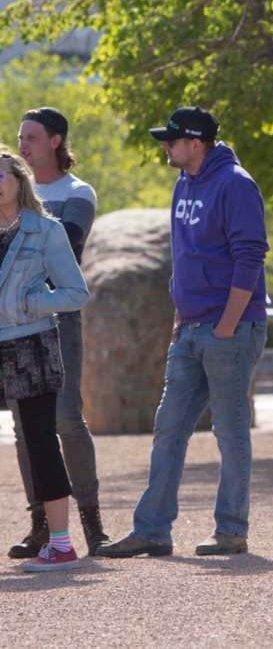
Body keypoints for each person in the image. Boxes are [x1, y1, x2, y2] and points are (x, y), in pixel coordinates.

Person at [97, 107, 268, 559]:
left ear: (196, 143)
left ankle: (231, 530)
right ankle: (152, 530)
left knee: (230, 433)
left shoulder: (236, 184)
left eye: (171, 141)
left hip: (230, 328)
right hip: (190, 329)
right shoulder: (184, 184)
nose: (165, 147)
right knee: (169, 428)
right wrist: (179, 317)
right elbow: (184, 256)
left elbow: (250, 257)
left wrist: (228, 324)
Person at [7, 108, 109, 559]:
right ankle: (41, 527)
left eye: (32, 137)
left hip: (54, 321)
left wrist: (24, 298)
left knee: (65, 419)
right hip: (10, 326)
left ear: (55, 140)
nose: (23, 144)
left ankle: (92, 523)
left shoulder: (75, 193)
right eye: (20, 138)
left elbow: (66, 250)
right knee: (25, 429)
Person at [0, 150, 90, 571]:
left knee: (40, 442)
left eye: (0, 175)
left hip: (29, 344)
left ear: (19, 179)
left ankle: (61, 544)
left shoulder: (46, 231)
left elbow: (76, 293)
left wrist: (30, 301)